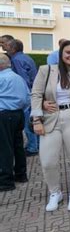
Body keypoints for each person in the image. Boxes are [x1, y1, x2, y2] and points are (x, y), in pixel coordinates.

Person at [31, 40, 70, 212]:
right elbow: (35, 94)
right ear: (61, 53)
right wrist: (37, 118)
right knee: (48, 161)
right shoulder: (46, 70)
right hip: (50, 118)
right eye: (68, 52)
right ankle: (55, 192)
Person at [0, 54, 29, 192]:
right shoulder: (19, 78)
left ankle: (6, 181)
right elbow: (27, 97)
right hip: (18, 113)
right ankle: (21, 174)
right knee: (18, 145)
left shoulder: (1, 78)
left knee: (5, 148)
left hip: (4, 114)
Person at [5, 38, 39, 156]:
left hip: (27, 94)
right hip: (33, 92)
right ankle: (36, 145)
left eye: (7, 46)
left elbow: (22, 79)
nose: (5, 48)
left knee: (27, 122)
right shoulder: (26, 57)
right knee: (33, 121)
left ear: (13, 48)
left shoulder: (16, 59)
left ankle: (32, 147)